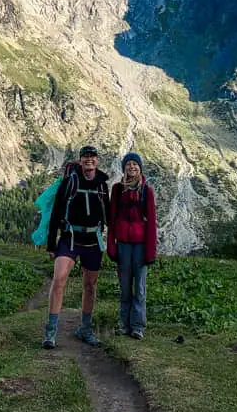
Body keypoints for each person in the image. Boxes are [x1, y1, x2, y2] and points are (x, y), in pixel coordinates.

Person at [42, 145, 111, 349]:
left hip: (92, 241)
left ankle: (85, 328)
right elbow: (56, 212)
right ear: (80, 161)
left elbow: (107, 213)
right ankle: (51, 330)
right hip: (69, 238)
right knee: (59, 278)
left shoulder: (102, 184)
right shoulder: (70, 182)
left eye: (92, 157)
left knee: (90, 285)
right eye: (85, 157)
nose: (89, 160)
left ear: (97, 160)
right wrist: (51, 243)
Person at [107, 152, 157, 340]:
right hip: (123, 245)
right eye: (128, 164)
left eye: (135, 164)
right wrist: (111, 245)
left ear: (140, 168)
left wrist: (151, 251)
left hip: (141, 246)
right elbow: (112, 220)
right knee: (125, 286)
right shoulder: (118, 190)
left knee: (140, 287)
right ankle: (123, 323)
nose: (132, 167)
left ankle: (137, 326)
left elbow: (152, 222)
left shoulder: (147, 190)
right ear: (124, 168)